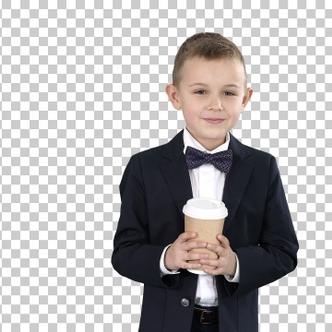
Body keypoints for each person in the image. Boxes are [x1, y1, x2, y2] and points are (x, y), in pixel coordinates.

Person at [111, 32, 299, 332]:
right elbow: (124, 252)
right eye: (200, 91)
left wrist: (235, 264)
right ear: (175, 96)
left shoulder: (263, 168)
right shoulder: (144, 167)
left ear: (245, 98)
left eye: (228, 92)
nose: (216, 105)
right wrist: (167, 258)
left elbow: (284, 252)